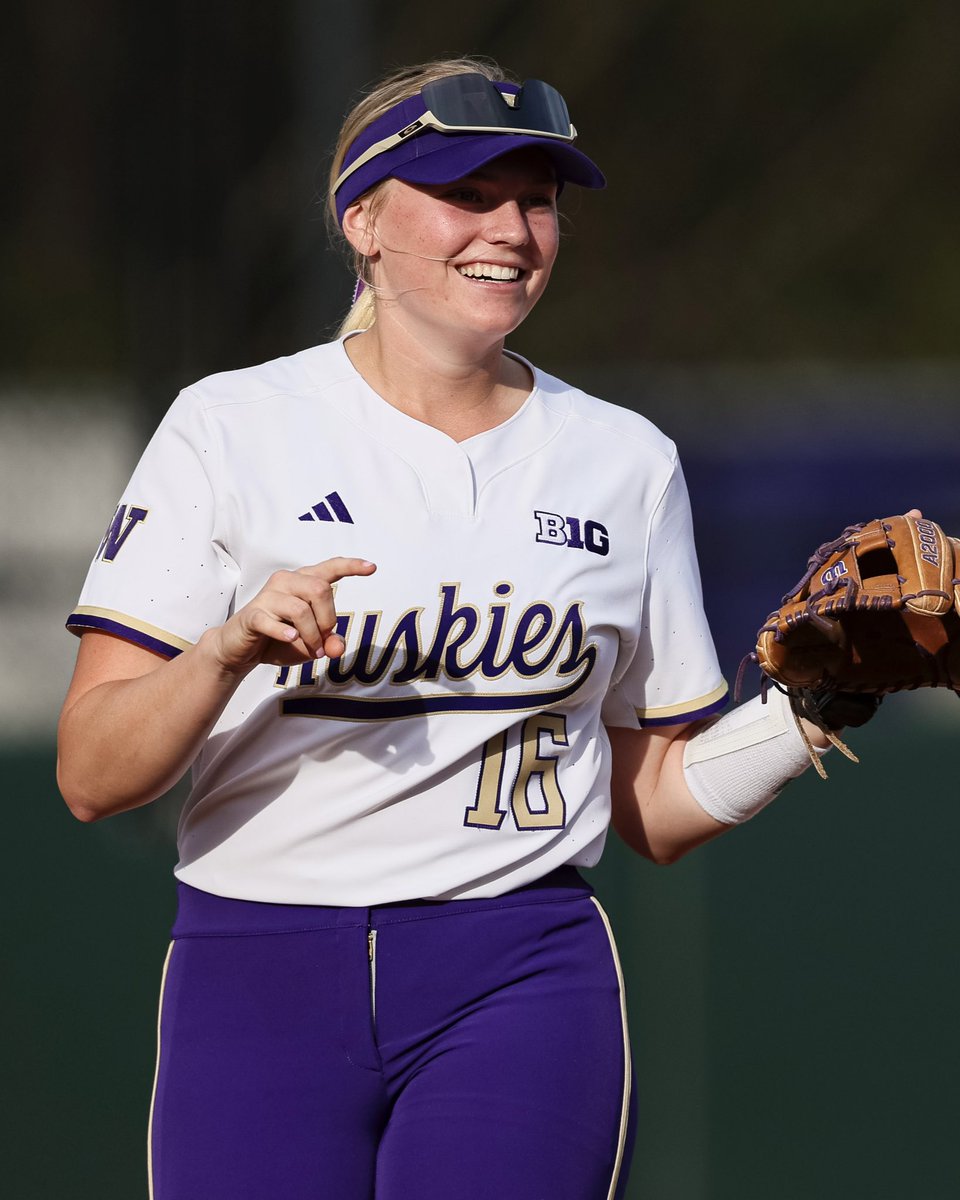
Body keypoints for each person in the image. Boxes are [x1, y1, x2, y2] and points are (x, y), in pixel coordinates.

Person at [57, 56, 840, 1200]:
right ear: (364, 220)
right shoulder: (230, 428)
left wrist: (816, 711)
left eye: (538, 199)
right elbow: (90, 773)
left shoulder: (624, 460)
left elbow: (655, 807)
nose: (512, 229)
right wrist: (224, 653)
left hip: (519, 968)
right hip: (261, 969)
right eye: (468, 192)